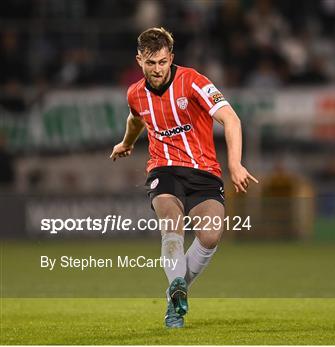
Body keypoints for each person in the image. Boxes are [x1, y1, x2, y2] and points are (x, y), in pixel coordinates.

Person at [110, 27, 258, 328]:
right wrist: (126, 143)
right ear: (139, 61)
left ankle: (175, 292)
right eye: (150, 63)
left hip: (204, 171)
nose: (157, 70)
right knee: (171, 221)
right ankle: (177, 287)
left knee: (211, 235)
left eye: (162, 62)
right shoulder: (135, 93)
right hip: (163, 169)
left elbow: (231, 118)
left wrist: (235, 164)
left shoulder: (193, 82)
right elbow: (136, 119)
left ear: (171, 58)